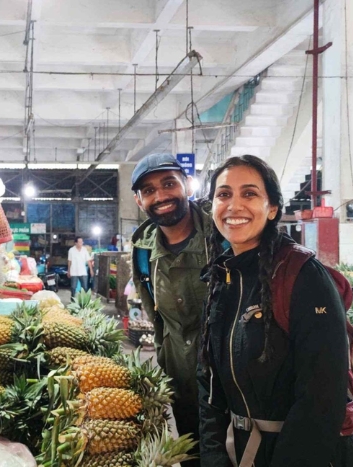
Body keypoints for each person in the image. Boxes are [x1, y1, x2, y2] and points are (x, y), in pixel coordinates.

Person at [198, 155, 353, 466]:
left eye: (249, 193)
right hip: (246, 451)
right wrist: (213, 456)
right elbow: (208, 380)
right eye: (224, 194)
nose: (234, 205)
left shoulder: (302, 275)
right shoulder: (222, 278)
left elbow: (321, 398)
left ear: (272, 208)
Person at [130, 153, 210, 466]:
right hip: (183, 381)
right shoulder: (142, 250)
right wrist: (166, 361)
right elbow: (156, 316)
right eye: (148, 191)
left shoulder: (221, 231)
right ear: (139, 201)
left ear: (187, 184)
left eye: (168, 184)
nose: (160, 196)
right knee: (194, 457)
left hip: (238, 381)